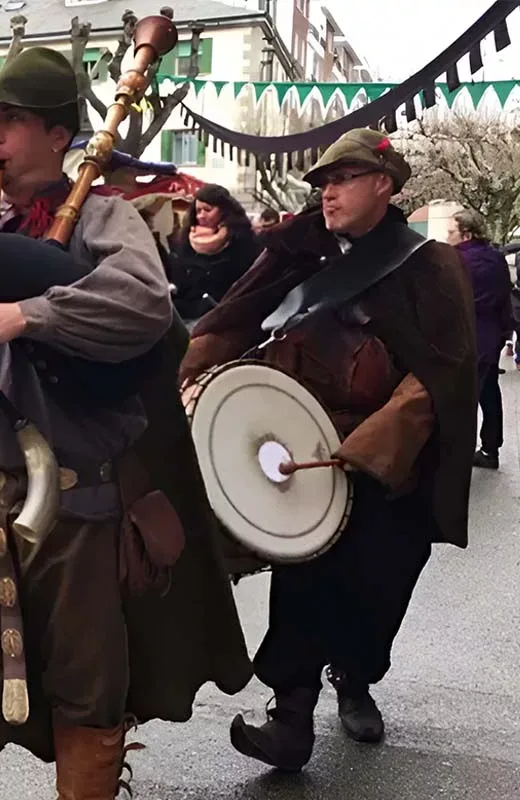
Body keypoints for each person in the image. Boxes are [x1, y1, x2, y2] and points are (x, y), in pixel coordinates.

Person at [0, 47, 252, 798]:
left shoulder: (107, 217)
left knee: (90, 689)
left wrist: (26, 314)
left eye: (12, 122)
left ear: (60, 135)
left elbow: (144, 307)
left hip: (80, 496)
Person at [180, 129, 476, 771]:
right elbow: (231, 322)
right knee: (304, 576)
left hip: (388, 458)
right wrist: (183, 378)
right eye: (322, 183)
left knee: (380, 579)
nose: (328, 193)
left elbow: (444, 375)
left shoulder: (428, 264)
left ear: (384, 185)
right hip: (297, 443)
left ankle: (358, 674)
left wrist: (370, 447)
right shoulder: (294, 251)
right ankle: (290, 717)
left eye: (342, 179)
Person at [447, 208, 512, 469]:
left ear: (466, 234)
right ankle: (490, 448)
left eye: (451, 232)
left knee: (462, 399)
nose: (447, 236)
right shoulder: (496, 258)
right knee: (488, 392)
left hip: (464, 337)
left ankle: (456, 456)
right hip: (491, 336)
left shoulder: (456, 260)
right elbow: (504, 298)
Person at [169, 184, 262, 321]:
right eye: (198, 211)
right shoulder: (185, 242)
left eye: (207, 210)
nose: (201, 216)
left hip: (229, 319)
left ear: (224, 211)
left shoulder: (244, 241)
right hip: (188, 317)